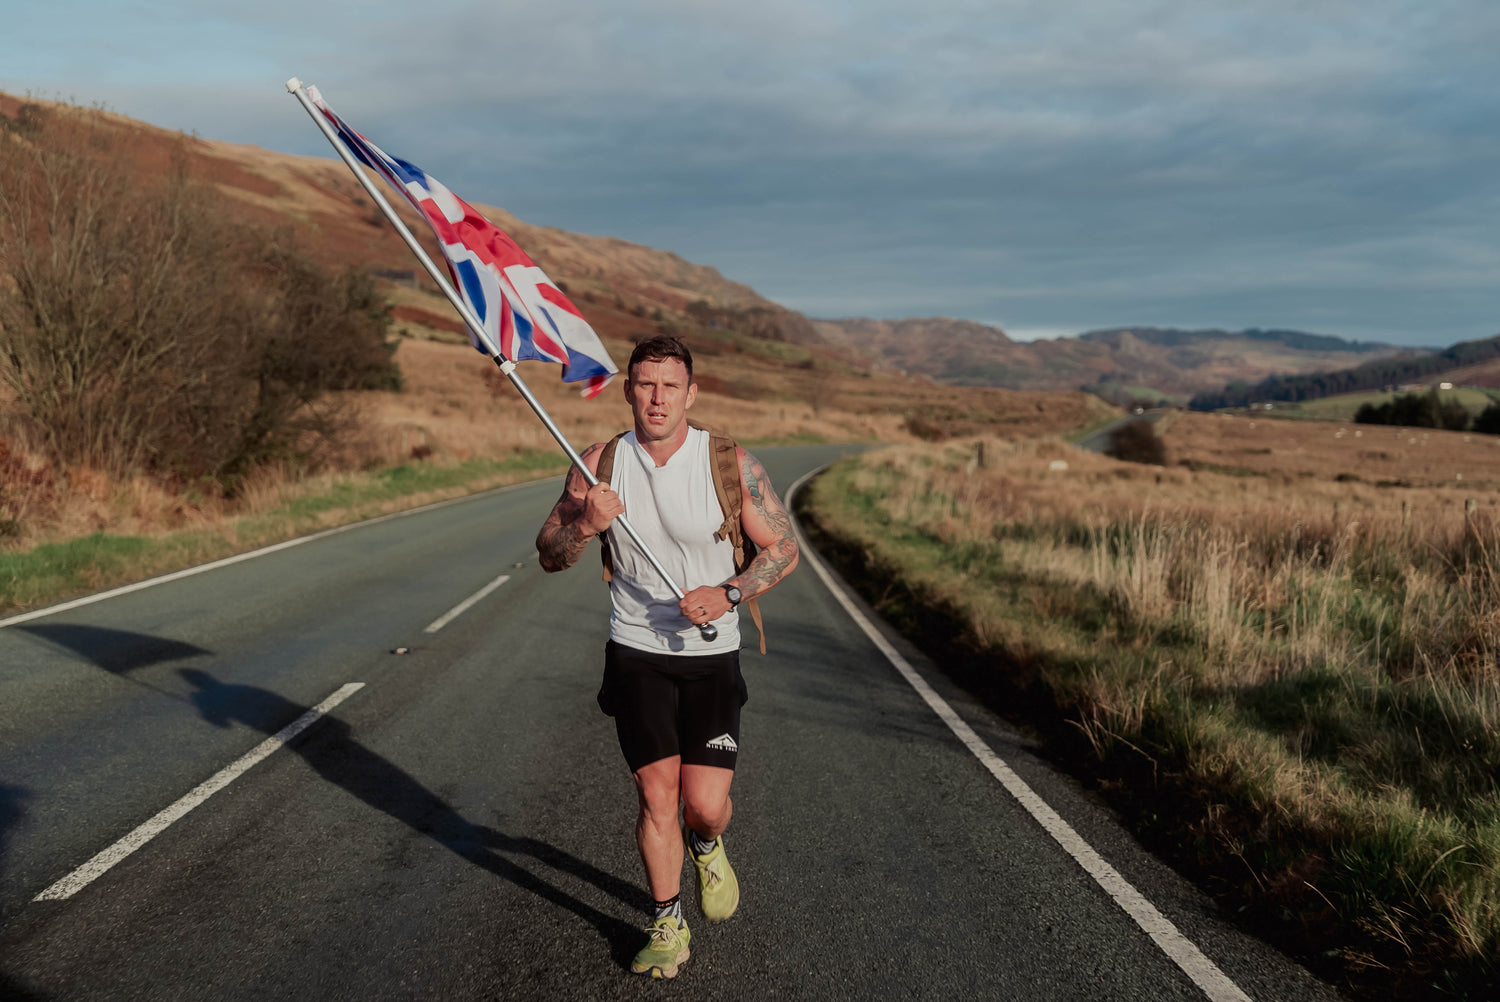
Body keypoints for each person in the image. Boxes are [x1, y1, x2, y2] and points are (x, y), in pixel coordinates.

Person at [536, 334, 800, 979]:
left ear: (691, 393)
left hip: (711, 654)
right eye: (645, 384)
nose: (657, 398)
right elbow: (549, 550)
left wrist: (730, 591)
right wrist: (584, 527)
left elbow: (785, 547)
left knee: (702, 805)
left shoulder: (729, 462)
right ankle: (666, 920)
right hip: (637, 650)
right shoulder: (597, 462)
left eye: (670, 386)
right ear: (628, 389)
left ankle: (707, 844)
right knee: (657, 797)